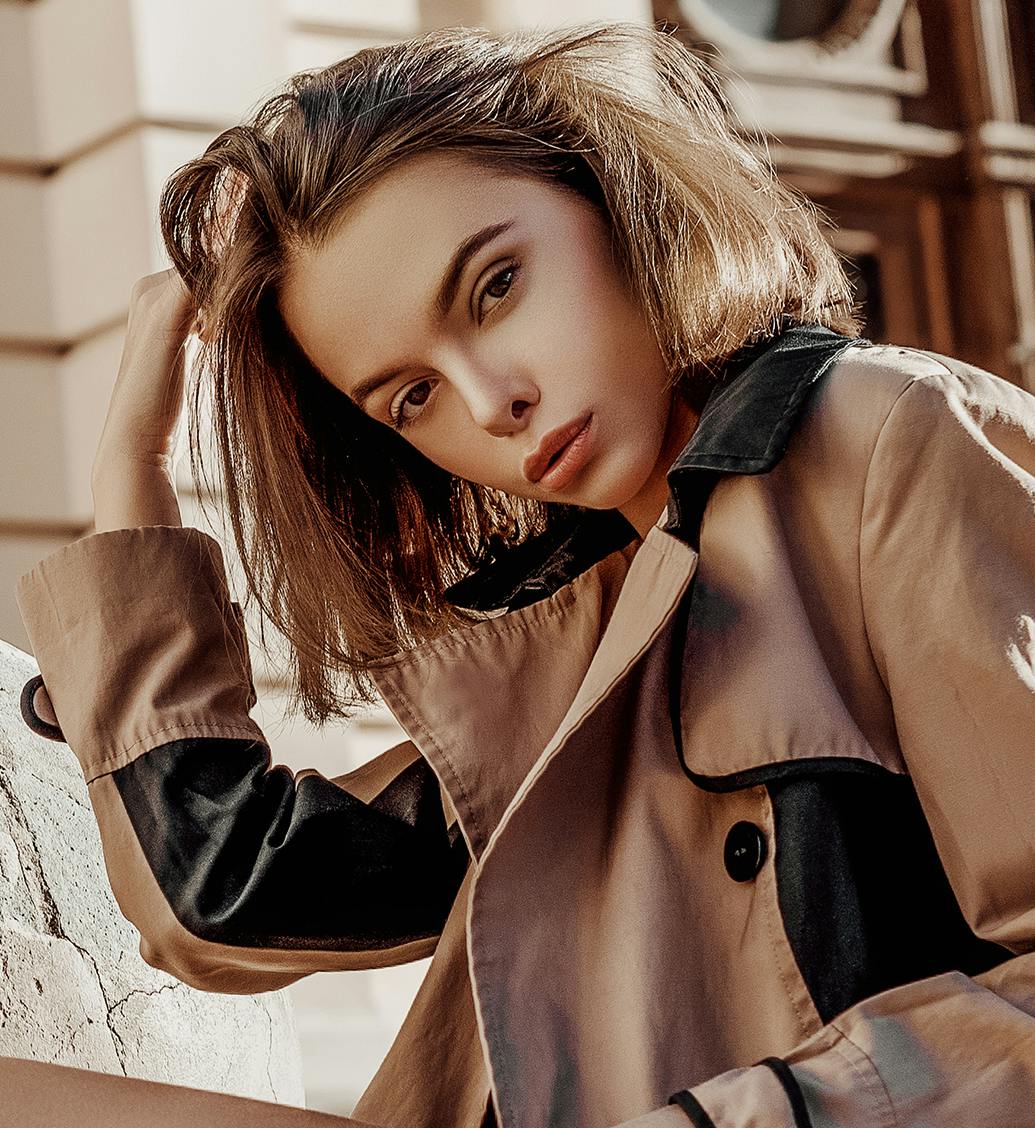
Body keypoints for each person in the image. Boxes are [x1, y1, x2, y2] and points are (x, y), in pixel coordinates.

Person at [11, 21, 1035, 1128]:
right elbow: (225, 902)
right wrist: (135, 465)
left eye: (495, 286)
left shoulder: (886, 438)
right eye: (410, 397)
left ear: (608, 195)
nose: (490, 399)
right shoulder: (587, 619)